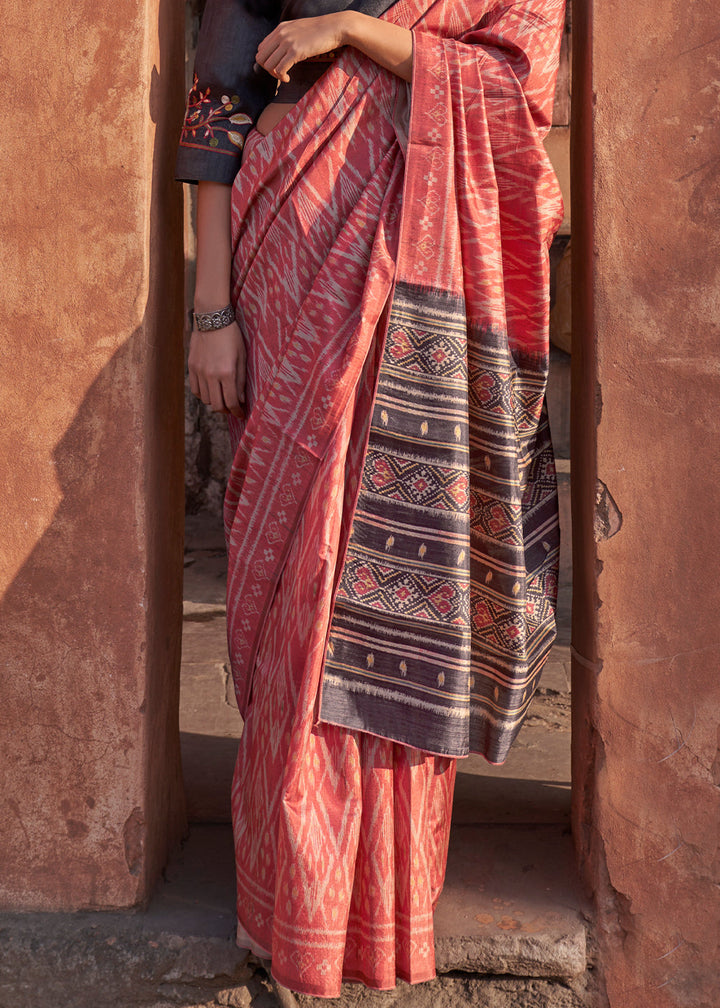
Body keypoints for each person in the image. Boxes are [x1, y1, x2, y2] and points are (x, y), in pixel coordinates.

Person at [176, 0, 565, 998]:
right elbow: (217, 109)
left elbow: (517, 90)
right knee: (291, 579)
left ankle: (378, 908)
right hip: (289, 258)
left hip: (420, 274)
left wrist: (351, 28)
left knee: (398, 578)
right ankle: (289, 907)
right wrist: (210, 311)